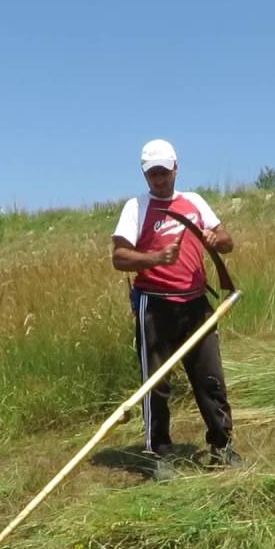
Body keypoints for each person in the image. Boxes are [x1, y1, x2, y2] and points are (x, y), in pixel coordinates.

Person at [111, 139, 241, 480]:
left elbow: (226, 240)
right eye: (152, 174)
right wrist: (155, 258)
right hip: (154, 305)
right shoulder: (135, 208)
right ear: (145, 174)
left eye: (164, 172)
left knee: (210, 377)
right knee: (156, 383)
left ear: (175, 168)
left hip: (196, 303)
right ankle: (159, 453)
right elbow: (119, 258)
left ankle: (222, 444)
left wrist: (216, 240)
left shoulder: (194, 202)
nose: (159, 180)